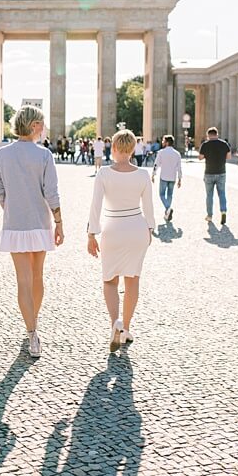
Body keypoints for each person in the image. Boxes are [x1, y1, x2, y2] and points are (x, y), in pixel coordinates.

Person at [0, 105, 63, 358]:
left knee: (22, 279)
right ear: (34, 126)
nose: (44, 129)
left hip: (15, 223)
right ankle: (34, 324)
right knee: (37, 277)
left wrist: (9, 205)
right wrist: (59, 222)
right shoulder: (44, 155)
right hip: (40, 222)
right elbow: (51, 192)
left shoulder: (2, 154)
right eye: (42, 124)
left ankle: (31, 331)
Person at [87, 129, 155, 352]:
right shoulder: (143, 174)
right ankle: (125, 328)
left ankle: (115, 322)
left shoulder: (104, 173)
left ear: (113, 148)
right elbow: (149, 207)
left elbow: (95, 207)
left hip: (113, 228)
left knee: (110, 280)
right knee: (132, 280)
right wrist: (150, 229)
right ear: (133, 148)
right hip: (137, 226)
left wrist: (91, 234)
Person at [199, 126, 231, 224]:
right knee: (222, 193)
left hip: (209, 172)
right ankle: (223, 211)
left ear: (208, 135)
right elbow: (229, 157)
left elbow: (200, 157)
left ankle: (209, 215)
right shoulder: (224, 144)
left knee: (209, 195)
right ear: (217, 134)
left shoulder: (205, 144)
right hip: (221, 172)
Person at [151, 134, 182, 222]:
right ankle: (167, 212)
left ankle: (168, 208)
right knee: (169, 195)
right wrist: (180, 179)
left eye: (163, 141)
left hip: (164, 176)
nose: (162, 142)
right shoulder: (177, 154)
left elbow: (156, 164)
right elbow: (179, 167)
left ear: (167, 142)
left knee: (161, 194)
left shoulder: (161, 152)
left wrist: (153, 174)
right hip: (173, 177)